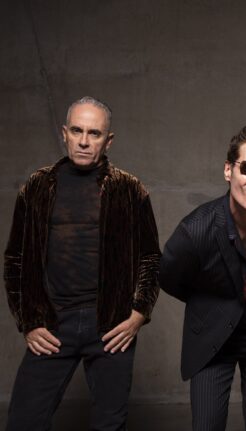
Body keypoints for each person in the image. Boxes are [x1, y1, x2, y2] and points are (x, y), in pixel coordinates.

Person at [3, 96, 161, 430]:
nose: (84, 141)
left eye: (94, 133)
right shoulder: (37, 186)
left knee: (109, 424)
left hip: (111, 324)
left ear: (108, 140)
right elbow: (15, 259)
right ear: (65, 133)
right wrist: (28, 320)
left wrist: (138, 314)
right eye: (77, 131)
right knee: (24, 421)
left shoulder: (129, 189)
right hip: (52, 323)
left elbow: (150, 257)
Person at [160, 125, 246, 431]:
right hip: (213, 339)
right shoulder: (195, 231)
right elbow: (169, 278)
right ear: (228, 170)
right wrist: (213, 300)